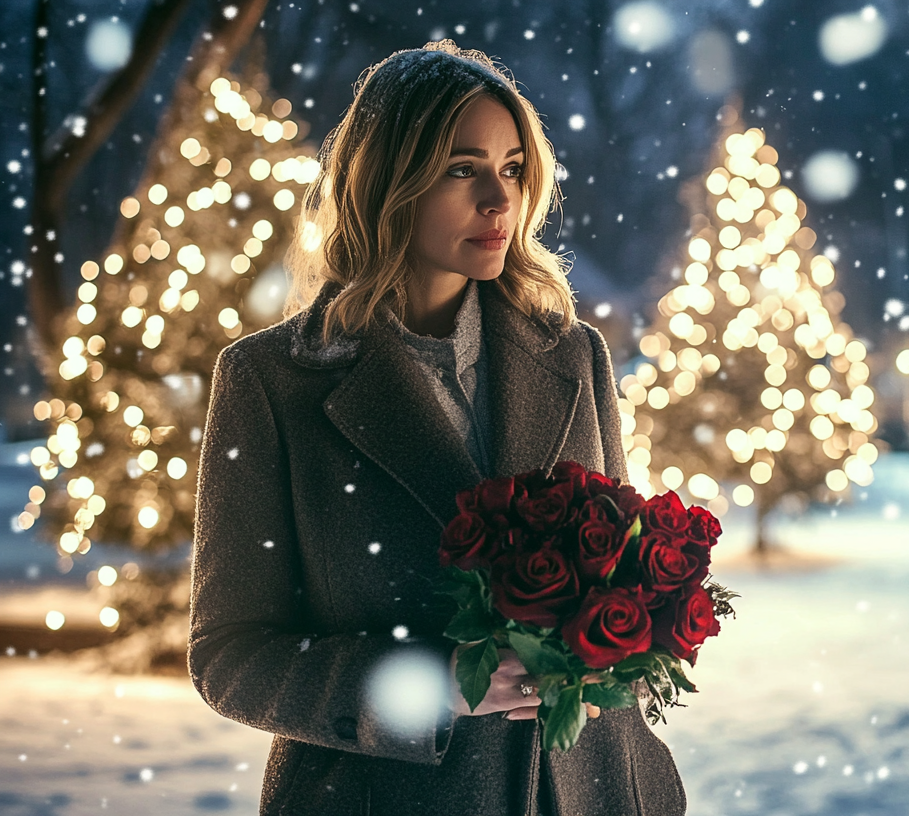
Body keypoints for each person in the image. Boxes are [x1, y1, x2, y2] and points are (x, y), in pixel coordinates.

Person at [188, 42, 686, 815]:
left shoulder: (573, 353)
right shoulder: (273, 381)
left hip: (589, 788)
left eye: (514, 168)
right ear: (387, 182)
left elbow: (620, 572)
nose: (499, 199)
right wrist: (431, 684)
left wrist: (616, 659)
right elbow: (229, 655)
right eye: (463, 168)